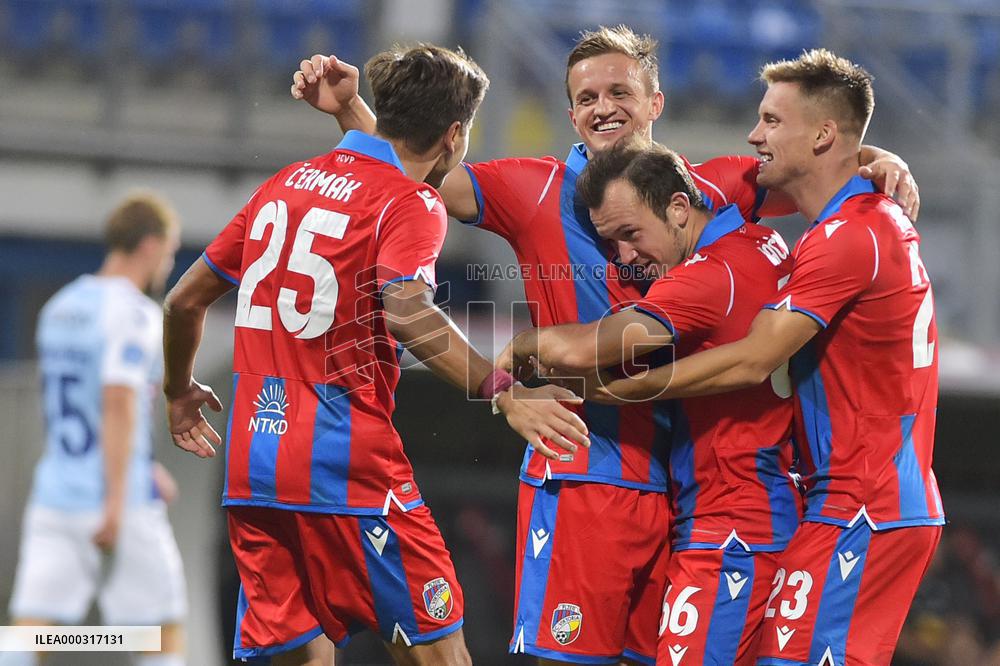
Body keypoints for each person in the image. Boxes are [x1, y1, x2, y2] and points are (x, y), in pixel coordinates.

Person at [291, 25, 921, 666]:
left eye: (620, 90)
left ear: (657, 104)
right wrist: (350, 111)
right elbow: (411, 172)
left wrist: (878, 160)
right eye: (586, 97)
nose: (603, 106)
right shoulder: (529, 186)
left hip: (687, 495)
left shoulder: (716, 185)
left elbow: (816, 162)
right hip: (587, 471)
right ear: (570, 114)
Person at [162, 43, 587, 666]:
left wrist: (178, 391)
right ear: (455, 134)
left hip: (255, 468)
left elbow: (182, 302)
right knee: (440, 653)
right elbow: (407, 308)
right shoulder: (412, 204)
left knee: (300, 655)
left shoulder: (282, 186)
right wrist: (503, 392)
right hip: (348, 468)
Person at [594, 49, 944, 666]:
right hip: (842, 500)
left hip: (867, 502)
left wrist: (616, 388)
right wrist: (876, 158)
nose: (755, 134)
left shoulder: (848, 237)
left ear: (822, 134)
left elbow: (752, 360)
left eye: (772, 121)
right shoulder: (855, 222)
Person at [498, 141, 800, 665]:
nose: (625, 258)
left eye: (631, 235)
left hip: (732, 527)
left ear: (680, 208)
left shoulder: (708, 276)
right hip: (761, 512)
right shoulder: (765, 242)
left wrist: (524, 347)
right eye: (611, 242)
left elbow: (586, 347)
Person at [4, 193, 188, 666]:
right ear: (149, 245)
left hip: (56, 491)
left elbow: (74, 406)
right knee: (163, 630)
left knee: (30, 634)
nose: (168, 263)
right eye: (169, 251)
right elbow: (117, 402)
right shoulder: (134, 315)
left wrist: (145, 467)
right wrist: (115, 499)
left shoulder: (60, 307)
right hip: (116, 500)